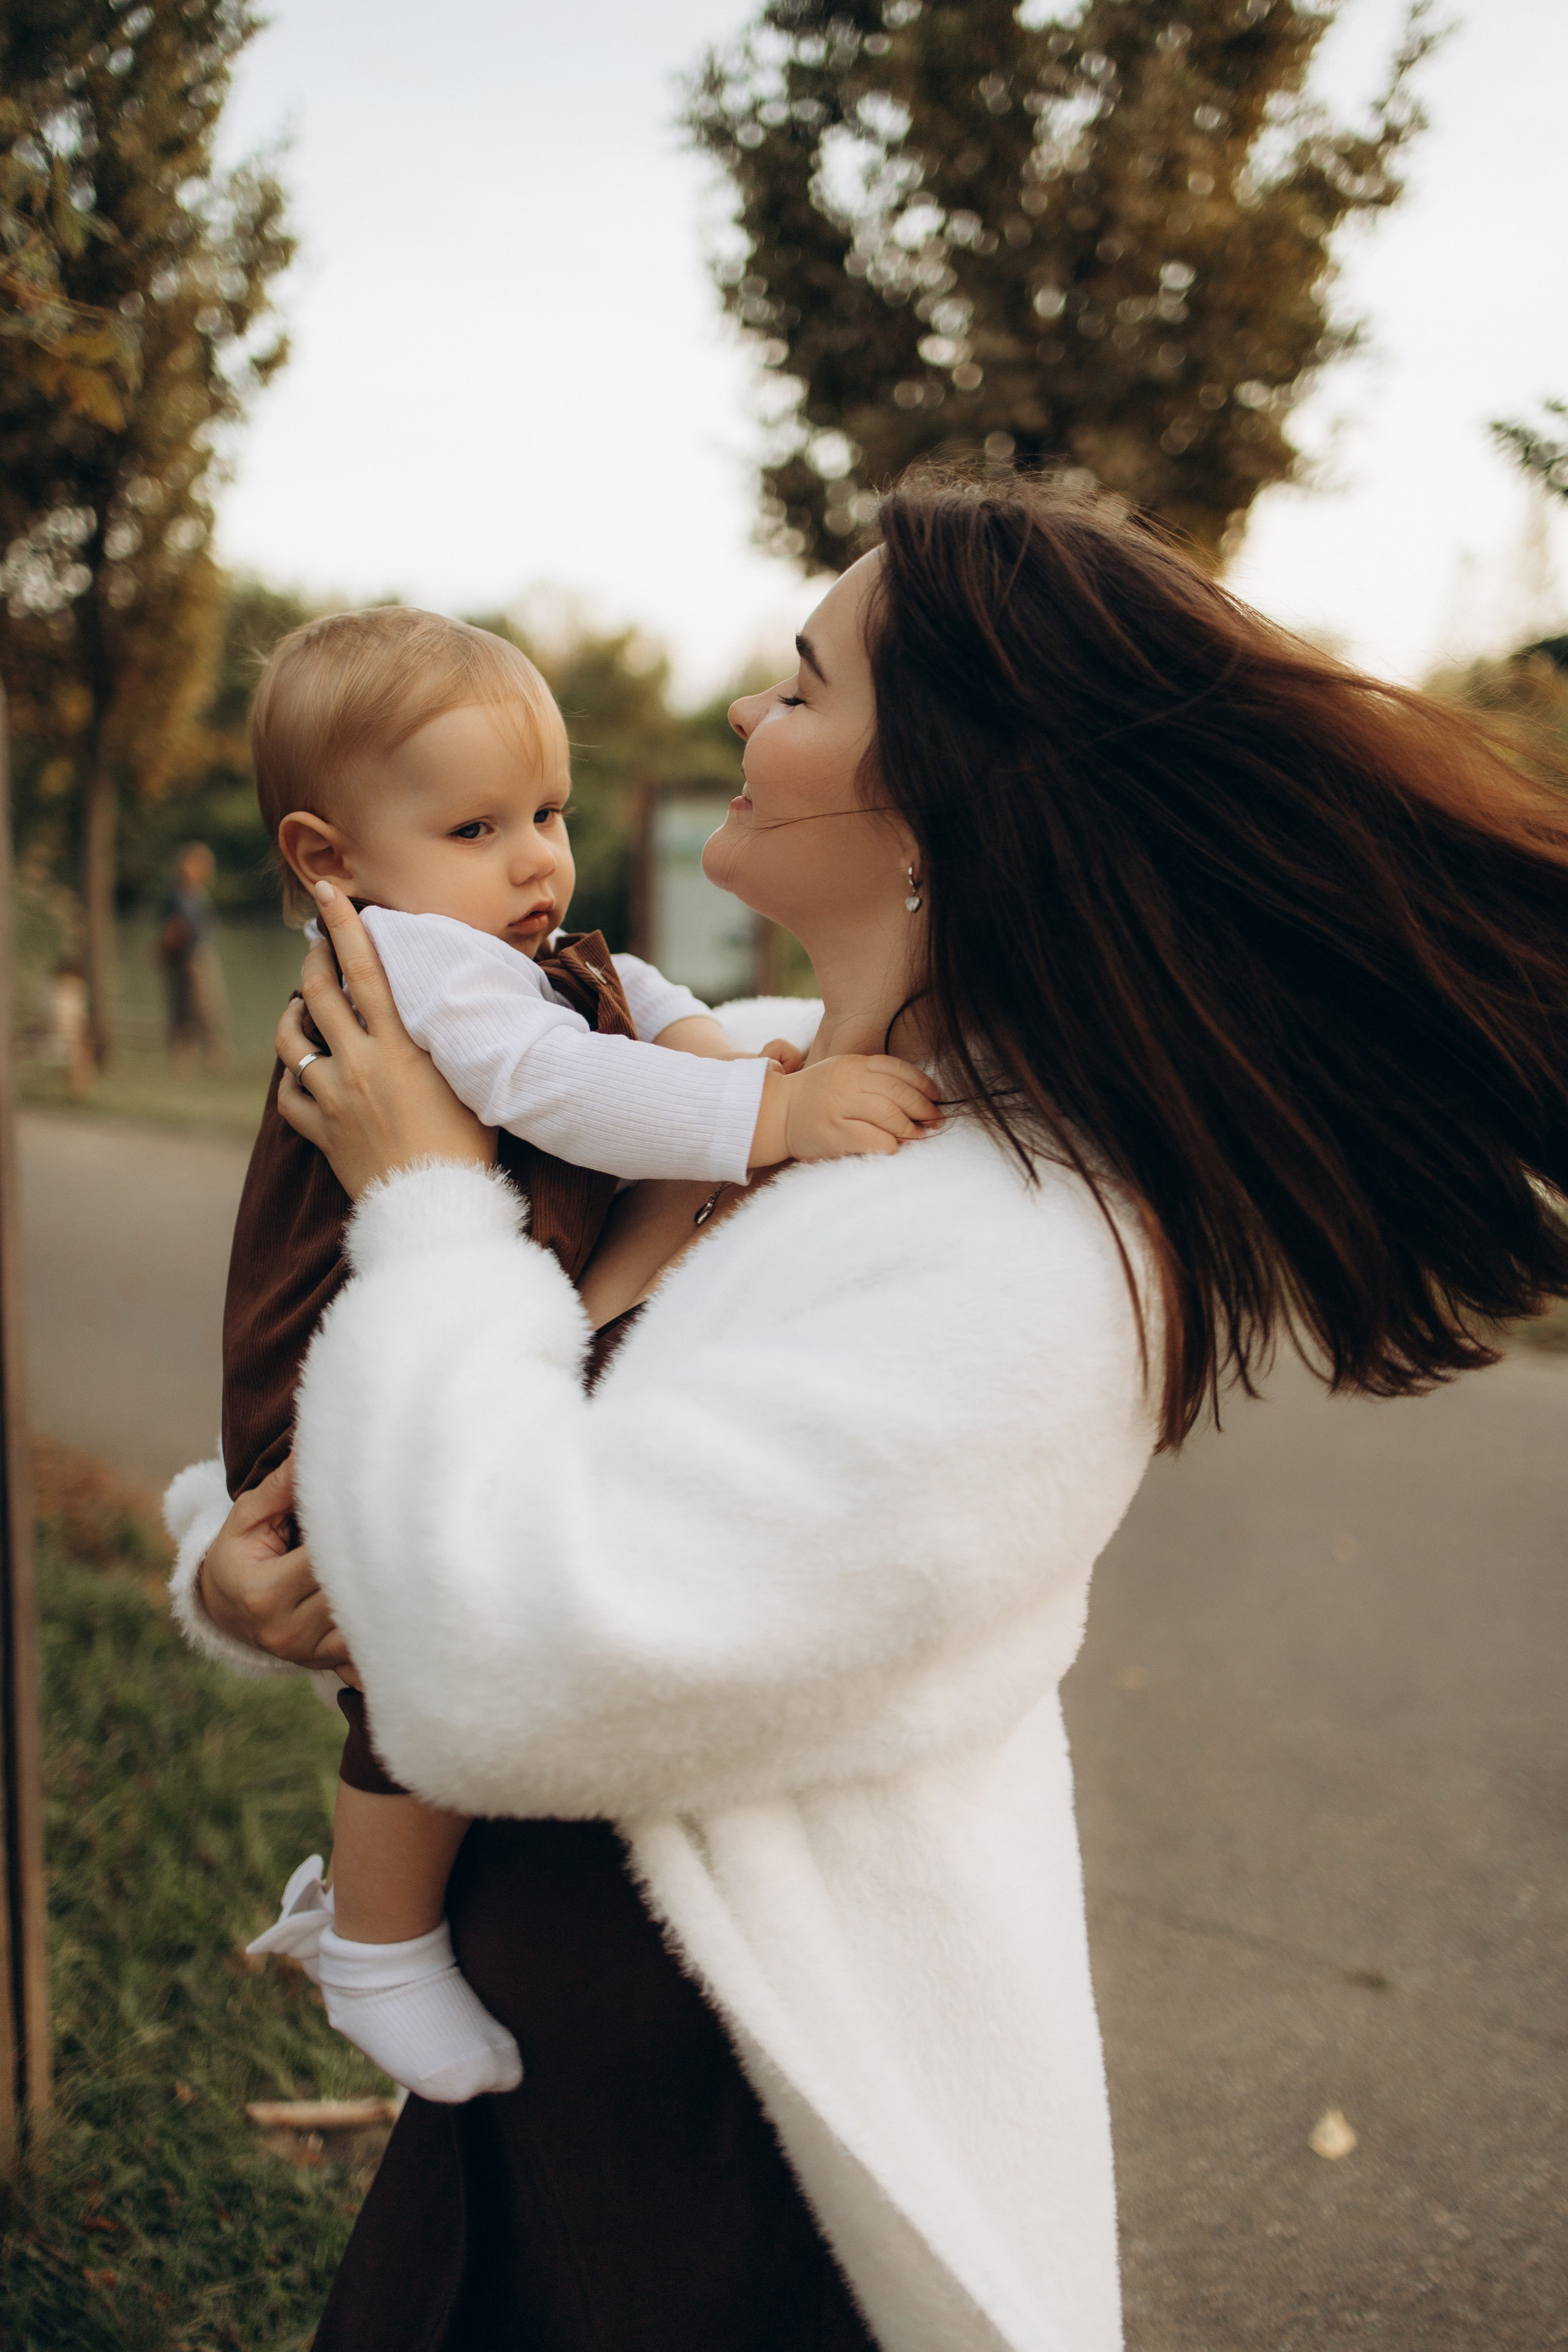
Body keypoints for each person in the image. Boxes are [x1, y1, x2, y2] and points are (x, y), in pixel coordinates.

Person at [165, 475, 1568, 2352]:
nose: (748, 712)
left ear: (936, 803)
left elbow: (523, 1649)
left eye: (805, 682)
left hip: (753, 2162)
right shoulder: (726, 1085)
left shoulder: (1023, 1246)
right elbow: (448, 1444)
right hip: (535, 2100)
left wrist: (423, 1199)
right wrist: (231, 1565)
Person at [217, 606, 939, 2108]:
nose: (538, 860)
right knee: (408, 1650)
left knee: (429, 1629)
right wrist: (769, 1115)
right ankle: (375, 1936)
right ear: (328, 857)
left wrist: (731, 1073)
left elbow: (641, 1014)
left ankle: (378, 1916)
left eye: (544, 813)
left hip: (676, 1962)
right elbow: (556, 1078)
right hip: (331, 1362)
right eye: (477, 826)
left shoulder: (518, 964)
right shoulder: (416, 965)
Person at [157, 840, 230, 1075]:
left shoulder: (198, 896)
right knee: (182, 1008)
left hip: (198, 956)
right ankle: (184, 1057)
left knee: (207, 1007)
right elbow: (170, 929)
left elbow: (202, 929)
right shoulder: (175, 897)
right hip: (182, 958)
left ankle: (214, 1055)